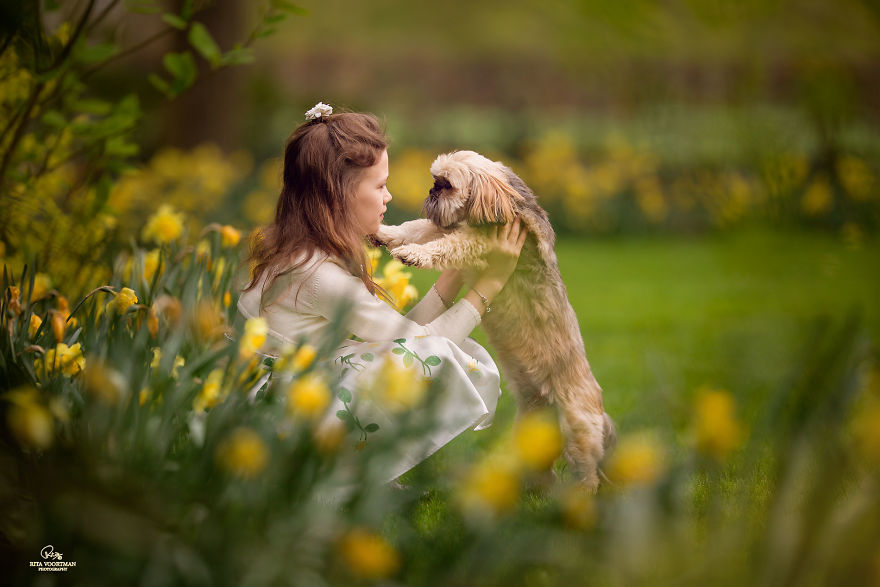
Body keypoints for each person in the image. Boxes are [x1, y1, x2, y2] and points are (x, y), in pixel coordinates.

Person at [238, 102, 527, 483]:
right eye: (379, 186)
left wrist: (455, 272)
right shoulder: (319, 277)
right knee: (436, 359)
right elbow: (423, 348)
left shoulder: (303, 253)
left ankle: (343, 471)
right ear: (337, 195)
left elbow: (402, 339)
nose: (388, 196)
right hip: (286, 419)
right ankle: (333, 479)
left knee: (407, 356)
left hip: (283, 396)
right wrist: (490, 285)